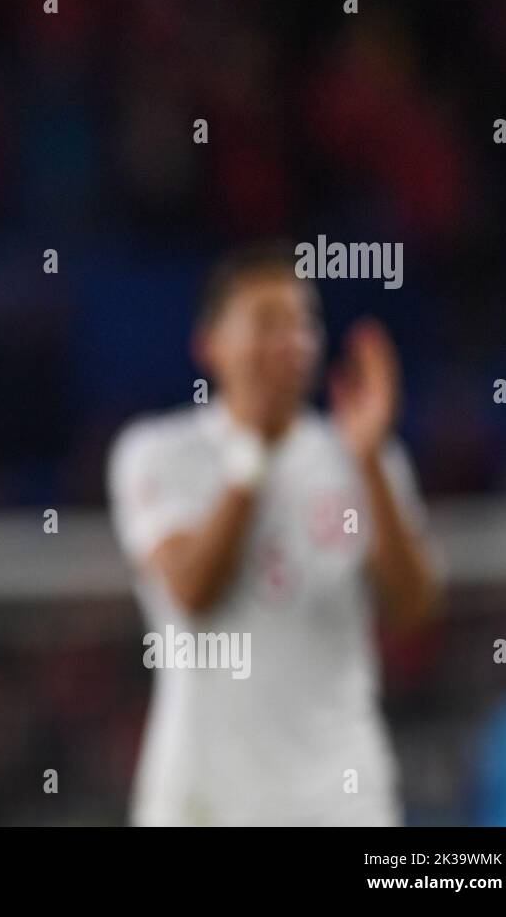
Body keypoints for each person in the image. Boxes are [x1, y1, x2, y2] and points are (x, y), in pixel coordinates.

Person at [107, 243, 438, 825]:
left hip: (340, 797)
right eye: (266, 322)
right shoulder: (158, 454)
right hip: (202, 799)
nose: (290, 341)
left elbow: (413, 607)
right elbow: (192, 592)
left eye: (302, 322)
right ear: (210, 343)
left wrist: (370, 462)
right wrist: (252, 456)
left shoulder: (360, 458)